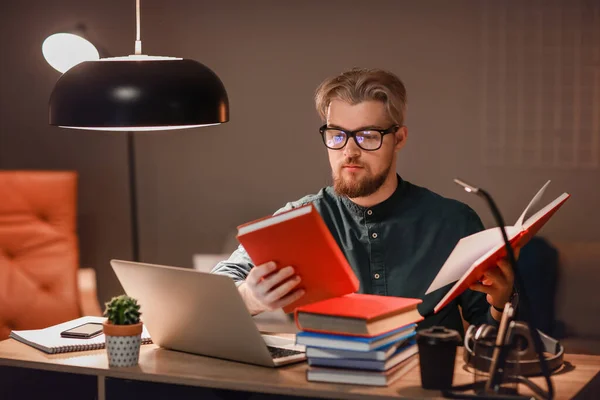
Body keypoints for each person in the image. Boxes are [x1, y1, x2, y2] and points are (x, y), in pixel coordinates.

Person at [212, 68, 515, 335]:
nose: (349, 152)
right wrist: (251, 298)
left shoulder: (453, 222)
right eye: (337, 135)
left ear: (399, 138)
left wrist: (502, 303)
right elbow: (214, 293)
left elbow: (490, 338)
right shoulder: (299, 219)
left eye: (368, 136)